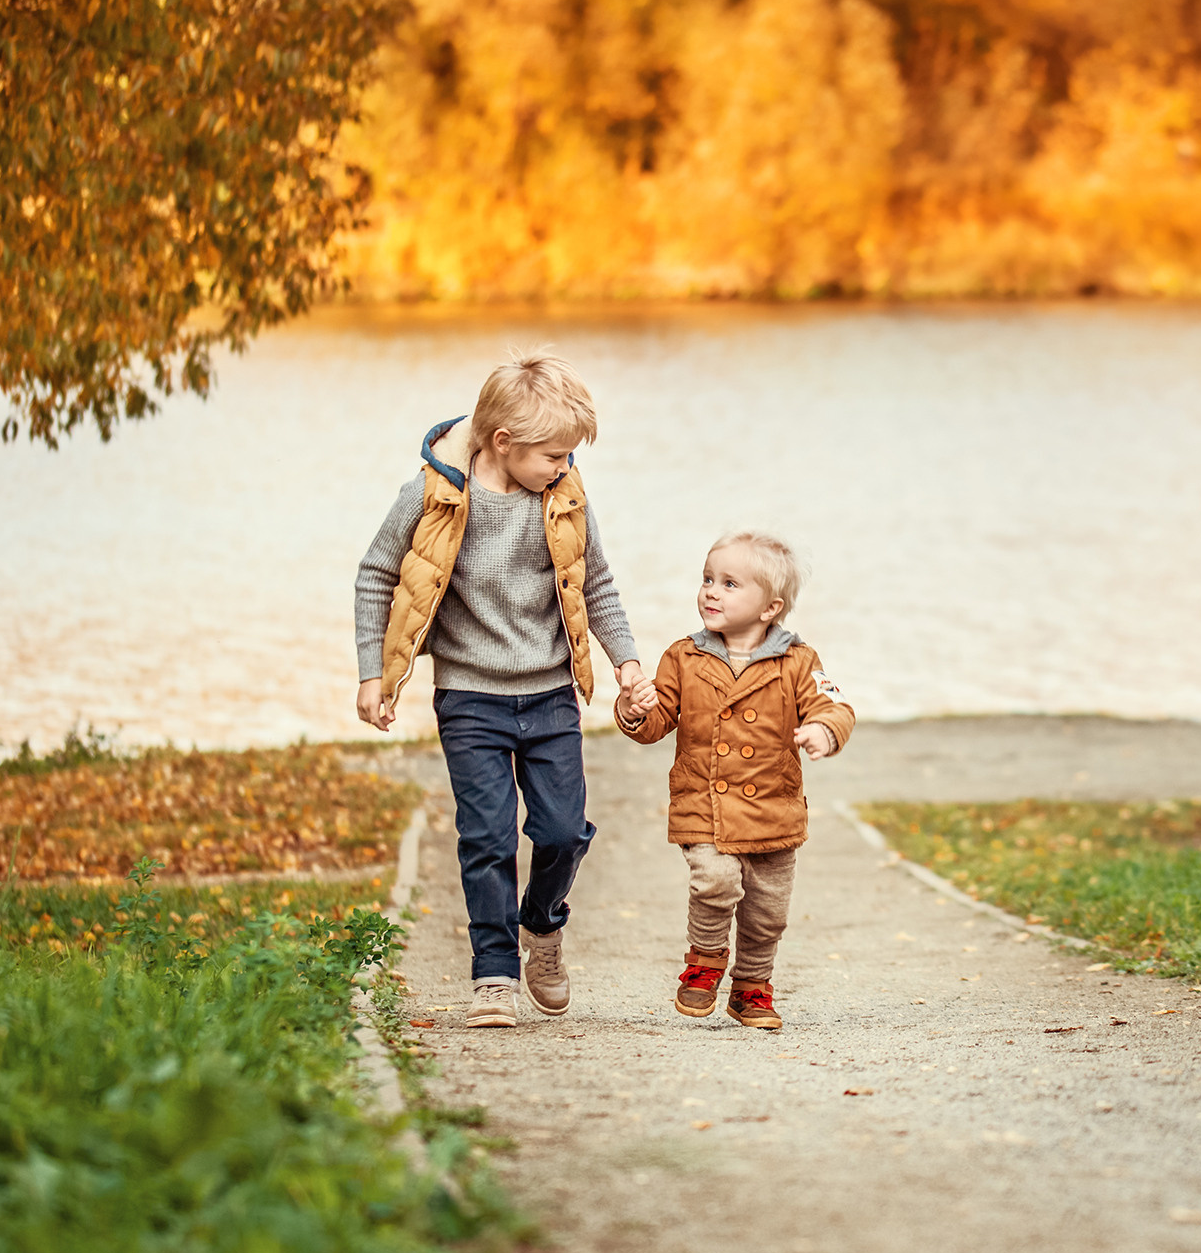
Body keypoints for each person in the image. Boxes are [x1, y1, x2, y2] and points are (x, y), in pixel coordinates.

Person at [353, 350, 655, 1029]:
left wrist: (627, 665)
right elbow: (376, 574)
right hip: (470, 699)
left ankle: (542, 925)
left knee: (562, 832)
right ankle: (494, 972)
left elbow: (596, 583)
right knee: (485, 836)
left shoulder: (566, 498)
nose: (565, 466)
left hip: (549, 695)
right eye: (554, 454)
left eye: (571, 454)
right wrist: (374, 672)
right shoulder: (432, 497)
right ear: (503, 442)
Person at [615, 532, 854, 1031]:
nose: (711, 592)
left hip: (773, 811)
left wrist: (822, 731)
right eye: (707, 579)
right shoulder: (684, 657)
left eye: (729, 584)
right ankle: (703, 964)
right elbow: (658, 720)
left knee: (768, 913)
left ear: (770, 607)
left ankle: (751, 988)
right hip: (705, 803)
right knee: (715, 880)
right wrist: (636, 709)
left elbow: (835, 706)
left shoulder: (798, 661)